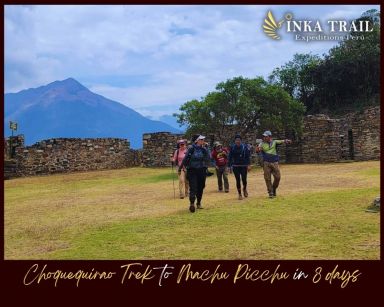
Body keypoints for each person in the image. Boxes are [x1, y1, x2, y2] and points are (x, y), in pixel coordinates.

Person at [178, 135, 211, 213]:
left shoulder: (204, 149)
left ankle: (198, 203)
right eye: (201, 139)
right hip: (192, 171)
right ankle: (192, 203)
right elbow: (186, 158)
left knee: (201, 187)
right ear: (197, 140)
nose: (203, 140)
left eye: (203, 139)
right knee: (193, 187)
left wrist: (207, 148)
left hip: (202, 171)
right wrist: (180, 168)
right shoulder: (191, 149)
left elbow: (208, 158)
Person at [256, 130, 292, 198]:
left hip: (274, 162)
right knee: (267, 178)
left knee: (278, 177)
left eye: (266, 136)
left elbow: (282, 141)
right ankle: (270, 192)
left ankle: (274, 188)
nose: (264, 138)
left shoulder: (274, 142)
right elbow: (258, 150)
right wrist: (258, 149)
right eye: (264, 136)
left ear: (270, 137)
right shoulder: (262, 143)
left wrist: (287, 141)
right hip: (266, 162)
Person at [228, 135, 251, 200]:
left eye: (239, 140)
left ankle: (244, 189)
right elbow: (230, 157)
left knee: (244, 179)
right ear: (235, 141)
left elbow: (247, 156)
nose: (237, 141)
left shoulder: (244, 147)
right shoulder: (232, 148)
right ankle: (240, 194)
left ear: (241, 141)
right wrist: (229, 166)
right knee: (238, 180)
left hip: (243, 165)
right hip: (236, 166)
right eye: (236, 140)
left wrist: (248, 165)